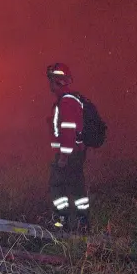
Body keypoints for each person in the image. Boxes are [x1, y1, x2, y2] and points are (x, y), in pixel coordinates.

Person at [46, 63, 89, 231]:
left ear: (58, 81)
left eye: (51, 80)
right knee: (76, 187)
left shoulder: (67, 102)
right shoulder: (67, 101)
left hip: (69, 155)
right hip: (74, 153)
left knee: (57, 186)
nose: (49, 84)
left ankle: (61, 221)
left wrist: (63, 156)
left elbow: (69, 129)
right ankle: (81, 223)